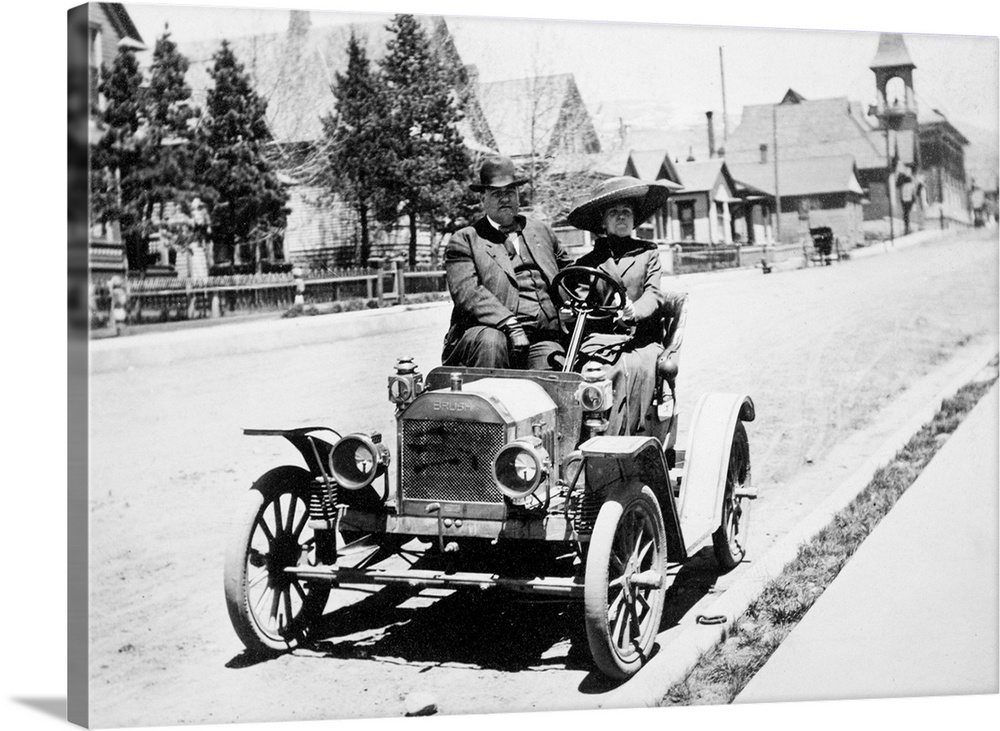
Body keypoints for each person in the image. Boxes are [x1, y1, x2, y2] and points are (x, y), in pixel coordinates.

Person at [566, 176, 676, 436]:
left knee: (623, 369)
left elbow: (654, 294)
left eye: (626, 212)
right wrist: (571, 310)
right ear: (602, 222)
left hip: (641, 341)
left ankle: (622, 437)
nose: (621, 217)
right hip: (601, 338)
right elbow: (580, 299)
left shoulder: (648, 253)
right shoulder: (589, 261)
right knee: (578, 372)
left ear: (634, 218)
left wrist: (633, 311)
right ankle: (582, 435)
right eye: (614, 212)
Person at [442, 156, 572, 370]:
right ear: (483, 198)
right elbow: (468, 293)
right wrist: (510, 324)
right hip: (489, 334)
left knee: (556, 369)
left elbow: (570, 274)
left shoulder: (541, 231)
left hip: (542, 336)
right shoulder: (466, 239)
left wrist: (572, 305)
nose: (505, 199)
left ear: (518, 196)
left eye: (510, 192)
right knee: (493, 343)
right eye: (496, 193)